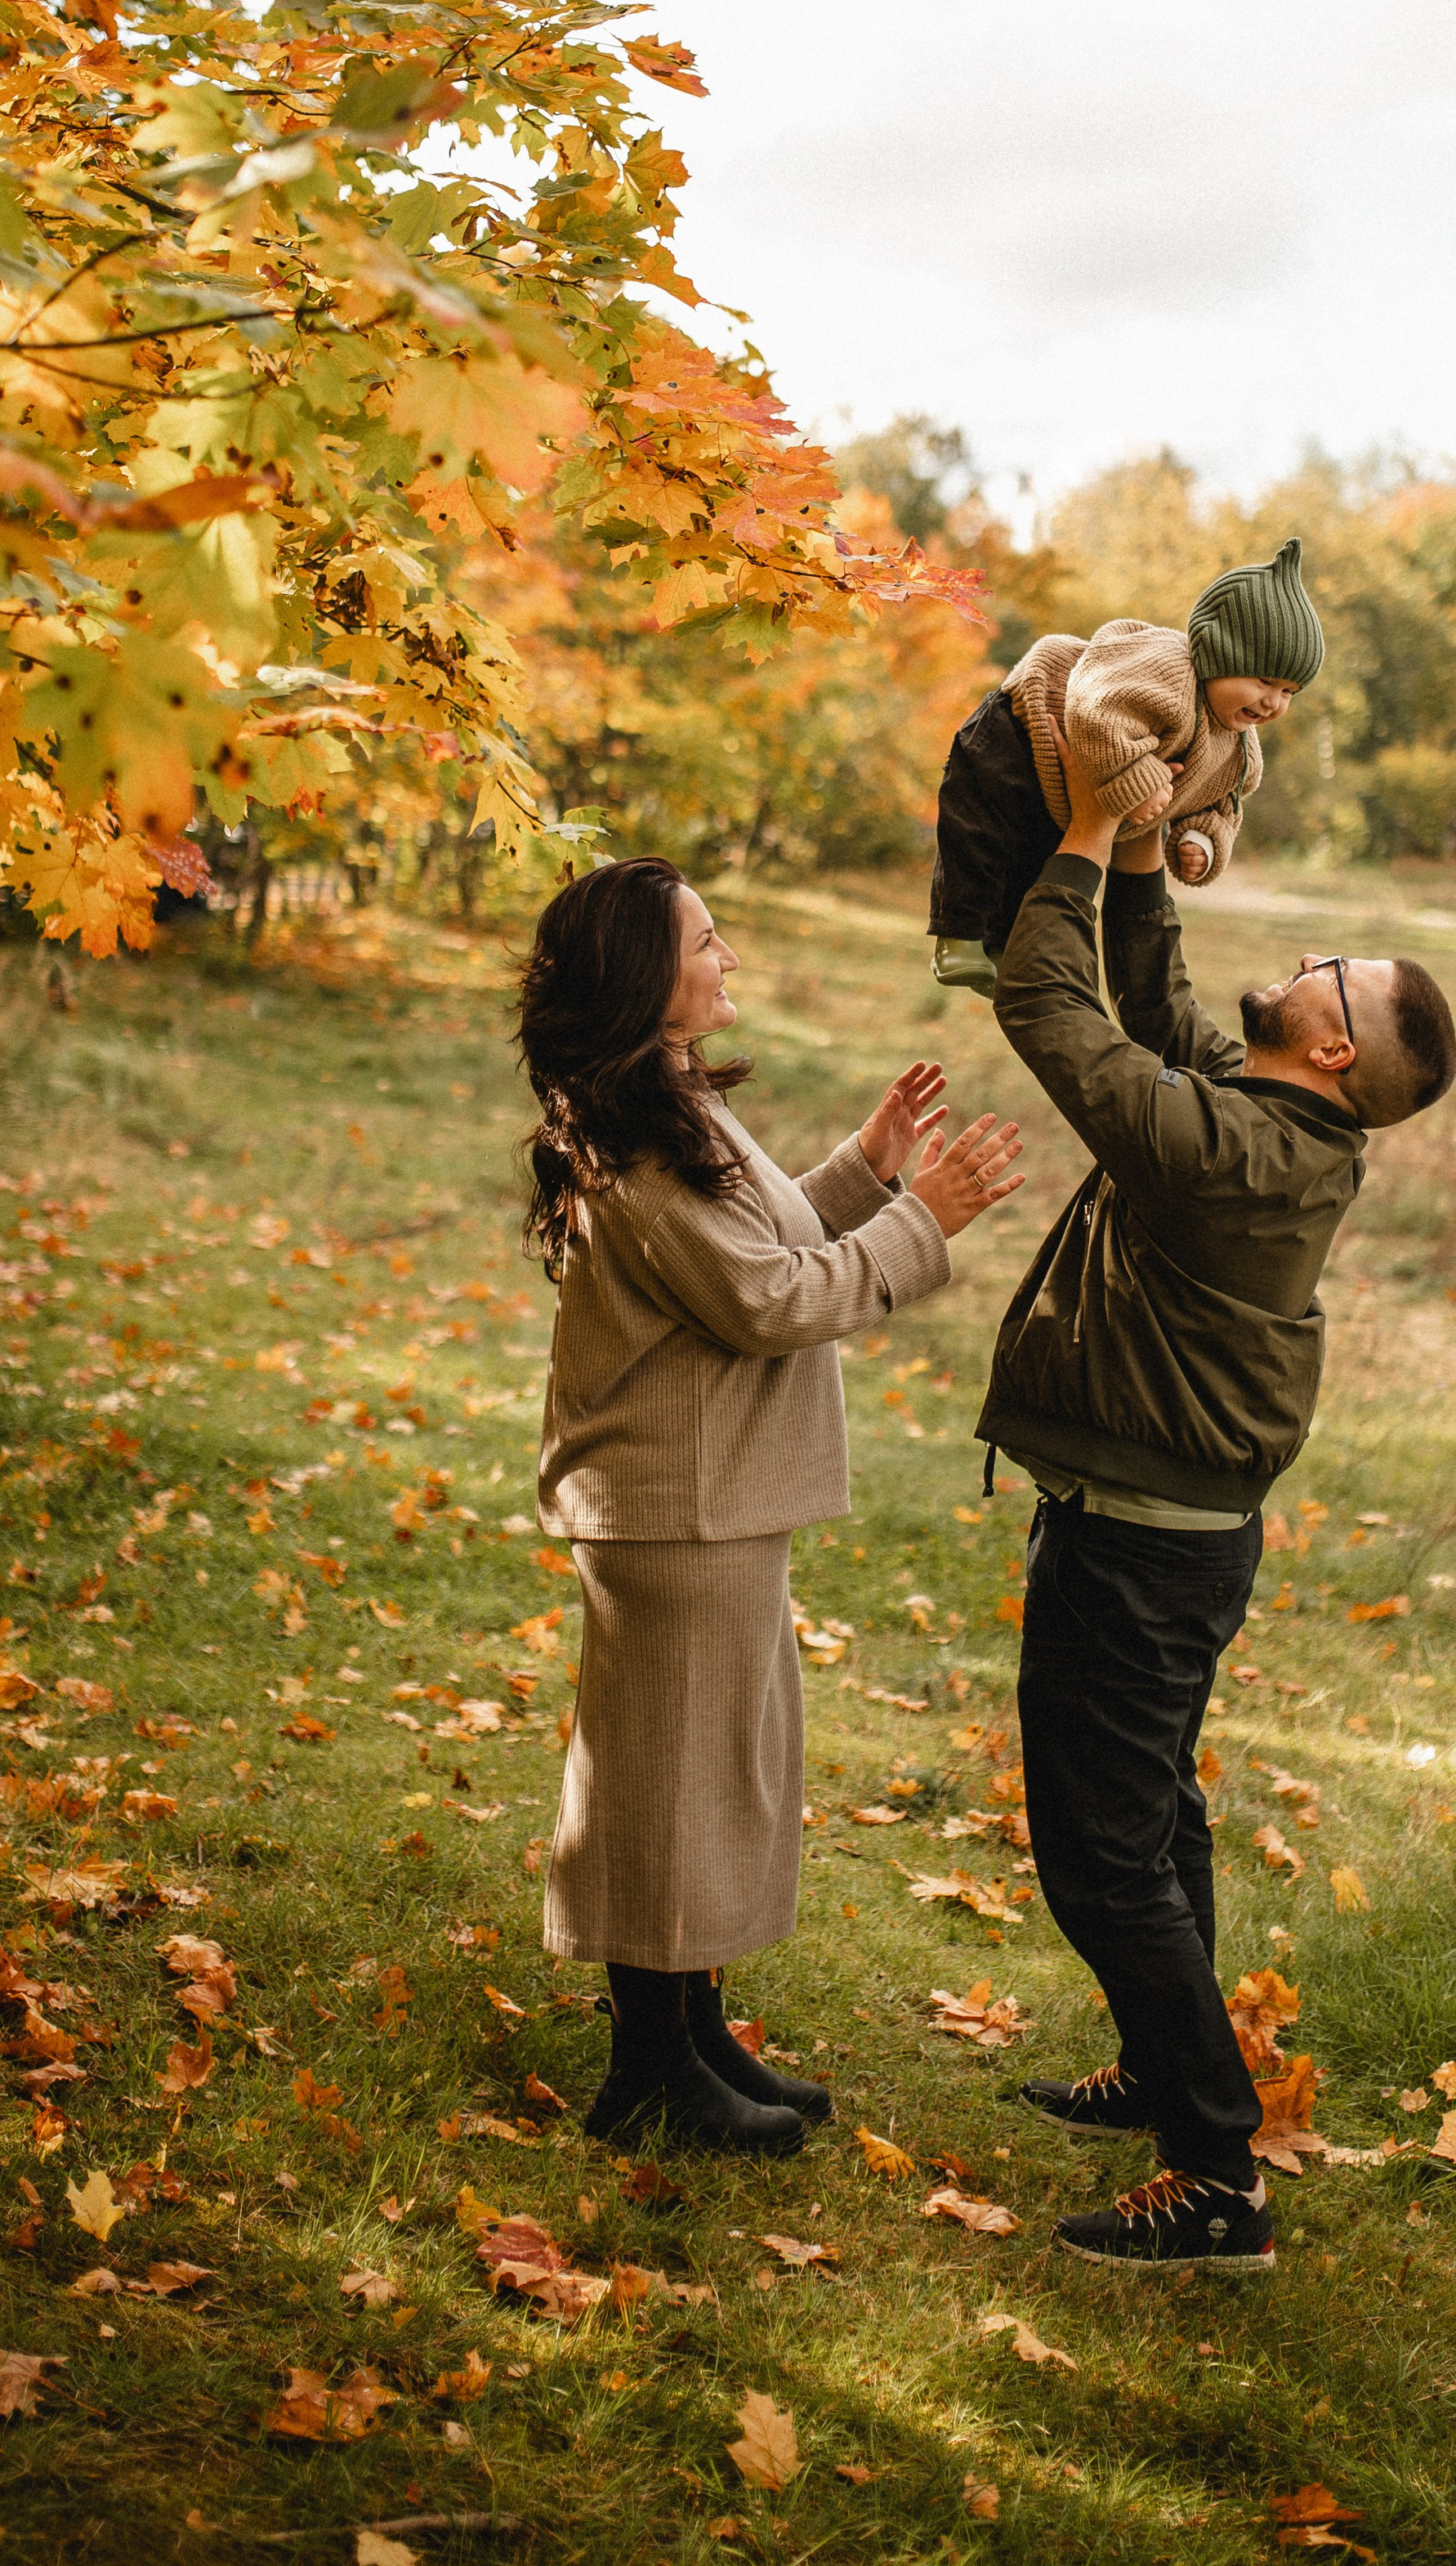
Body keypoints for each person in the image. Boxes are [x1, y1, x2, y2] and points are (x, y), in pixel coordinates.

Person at [976, 731, 1456, 2269]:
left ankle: (1217, 2174)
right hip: (1161, 1533)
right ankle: (1160, 2071)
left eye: (1334, 973)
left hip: (1141, 1552)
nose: (1308, 964)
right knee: (1156, 1816)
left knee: (1100, 1851)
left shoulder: (1237, 1153)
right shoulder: (1271, 1117)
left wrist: (1071, 835)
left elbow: (1050, 1008)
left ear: (1335, 1055)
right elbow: (1155, 1006)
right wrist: (1140, 852)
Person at [516, 855, 1025, 2154]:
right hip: (674, 1503)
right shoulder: (629, 1127)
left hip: (710, 1500)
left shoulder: (659, 1095)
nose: (728, 954)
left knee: (704, 1778)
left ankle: (690, 2041)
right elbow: (771, 1300)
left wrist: (866, 1169)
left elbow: (764, 1240)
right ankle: (648, 2073)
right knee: (661, 1787)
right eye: (705, 939)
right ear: (647, 972)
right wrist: (927, 1216)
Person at [927, 538, 1326, 994]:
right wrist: (1140, 780)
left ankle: (1000, 949)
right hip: (1024, 725)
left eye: (1290, 692)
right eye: (1264, 680)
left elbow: (1223, 807)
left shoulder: (1240, 752)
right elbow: (1096, 710)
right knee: (981, 833)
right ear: (1219, 654)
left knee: (1034, 862)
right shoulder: (1168, 670)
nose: (1273, 702)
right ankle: (957, 938)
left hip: (1062, 788)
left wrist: (1202, 840)